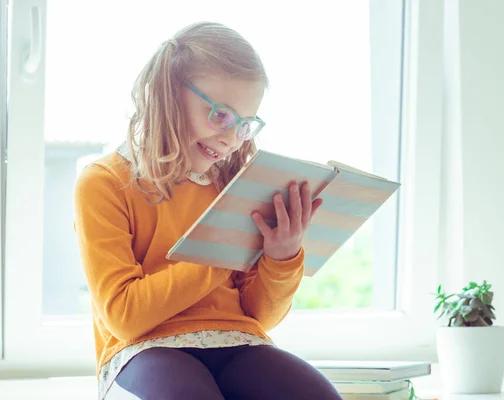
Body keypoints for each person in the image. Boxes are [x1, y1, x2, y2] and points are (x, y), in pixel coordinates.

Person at [73, 21, 343, 400]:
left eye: (245, 125)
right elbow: (124, 317)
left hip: (236, 340)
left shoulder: (235, 183)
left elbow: (260, 318)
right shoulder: (103, 182)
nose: (232, 139)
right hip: (143, 348)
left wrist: (281, 256)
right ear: (166, 96)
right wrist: (220, 254)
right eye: (220, 116)